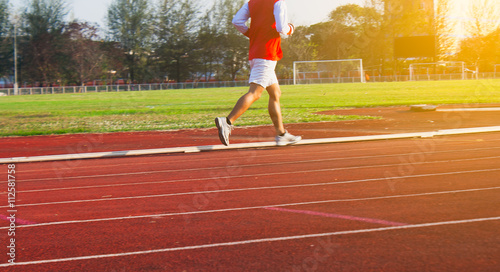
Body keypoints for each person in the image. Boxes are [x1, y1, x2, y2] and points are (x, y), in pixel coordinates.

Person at [215, 0, 302, 147]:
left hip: (255, 52)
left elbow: (237, 21)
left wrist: (253, 34)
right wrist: (291, 29)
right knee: (255, 93)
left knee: (275, 94)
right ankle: (227, 121)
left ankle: (281, 134)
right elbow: (281, 27)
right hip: (267, 54)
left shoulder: (252, 3)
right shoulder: (278, 3)